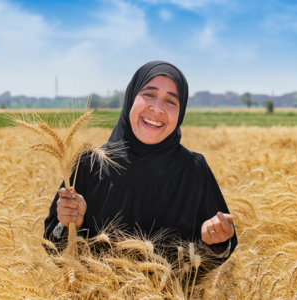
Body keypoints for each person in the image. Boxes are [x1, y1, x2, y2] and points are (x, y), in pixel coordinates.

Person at [44, 61, 237, 264]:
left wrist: (217, 242)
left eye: (171, 101)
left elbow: (220, 252)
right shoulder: (88, 165)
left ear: (181, 113)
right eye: (149, 94)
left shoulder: (194, 170)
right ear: (130, 98)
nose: (157, 108)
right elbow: (52, 245)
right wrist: (67, 226)